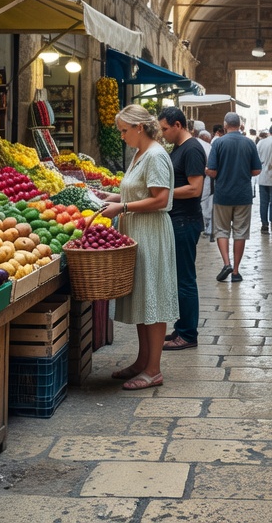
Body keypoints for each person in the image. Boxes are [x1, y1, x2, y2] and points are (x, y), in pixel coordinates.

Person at [93, 105, 179, 390]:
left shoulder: (155, 155)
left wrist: (123, 206)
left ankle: (154, 370)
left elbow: (160, 199)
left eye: (124, 130)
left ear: (139, 127)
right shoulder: (140, 154)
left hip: (151, 232)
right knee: (143, 297)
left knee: (152, 297)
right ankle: (142, 361)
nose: (121, 136)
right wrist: (111, 195)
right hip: (137, 230)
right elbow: (137, 190)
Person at [158, 107, 207, 351]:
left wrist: (162, 195)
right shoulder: (179, 148)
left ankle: (188, 334)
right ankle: (182, 326)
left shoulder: (193, 148)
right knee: (179, 278)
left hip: (185, 221)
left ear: (178, 125)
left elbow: (195, 188)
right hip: (177, 219)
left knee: (186, 279)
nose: (163, 133)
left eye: (165, 128)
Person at [205, 111, 262, 282]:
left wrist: (207, 171)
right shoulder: (249, 143)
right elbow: (257, 170)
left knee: (221, 230)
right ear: (239, 125)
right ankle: (236, 271)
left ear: (225, 125)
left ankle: (226, 263)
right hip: (243, 195)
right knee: (240, 232)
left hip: (223, 194)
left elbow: (213, 171)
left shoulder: (218, 143)